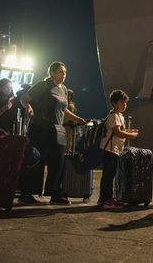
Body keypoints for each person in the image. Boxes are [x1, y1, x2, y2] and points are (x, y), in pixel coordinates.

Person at [18, 61, 86, 205]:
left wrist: (78, 119)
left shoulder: (64, 89)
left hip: (58, 130)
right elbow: (24, 98)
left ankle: (54, 193)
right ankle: (27, 193)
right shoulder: (43, 85)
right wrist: (28, 107)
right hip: (41, 129)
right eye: (60, 72)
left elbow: (64, 109)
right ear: (52, 73)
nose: (64, 75)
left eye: (65, 72)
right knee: (38, 161)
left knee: (58, 162)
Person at [97, 90, 139, 209]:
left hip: (115, 150)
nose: (124, 105)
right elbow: (118, 132)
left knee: (111, 175)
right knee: (108, 176)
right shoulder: (113, 116)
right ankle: (106, 199)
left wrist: (130, 131)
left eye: (125, 102)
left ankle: (107, 199)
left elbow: (121, 130)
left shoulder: (120, 116)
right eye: (121, 102)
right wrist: (131, 135)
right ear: (114, 103)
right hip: (110, 150)